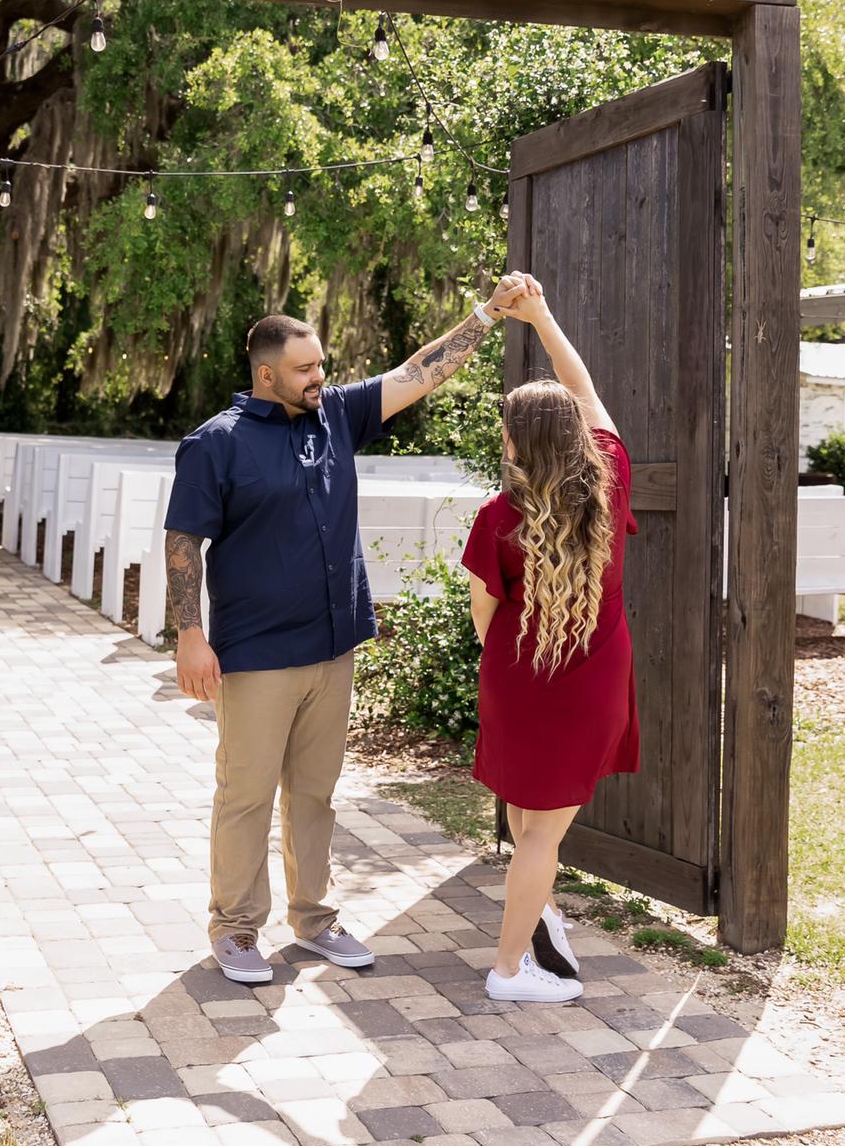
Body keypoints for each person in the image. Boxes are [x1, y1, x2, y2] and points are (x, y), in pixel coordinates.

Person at [165, 280, 525, 985]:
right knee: (245, 793)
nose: (320, 378)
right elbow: (184, 541)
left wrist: (486, 314)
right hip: (258, 654)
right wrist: (188, 634)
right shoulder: (216, 445)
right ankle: (236, 929)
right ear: (267, 373)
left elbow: (420, 371)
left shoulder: (334, 416)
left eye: (322, 365)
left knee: (315, 794)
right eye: (306, 369)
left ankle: (315, 920)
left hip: (334, 648)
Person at [461, 272, 640, 1006]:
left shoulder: (496, 515)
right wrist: (541, 318)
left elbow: (484, 614)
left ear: (516, 443)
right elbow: (584, 385)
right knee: (543, 832)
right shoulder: (611, 483)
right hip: (588, 684)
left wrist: (508, 669)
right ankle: (508, 972)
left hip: (515, 678)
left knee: (525, 815)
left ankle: (538, 919)